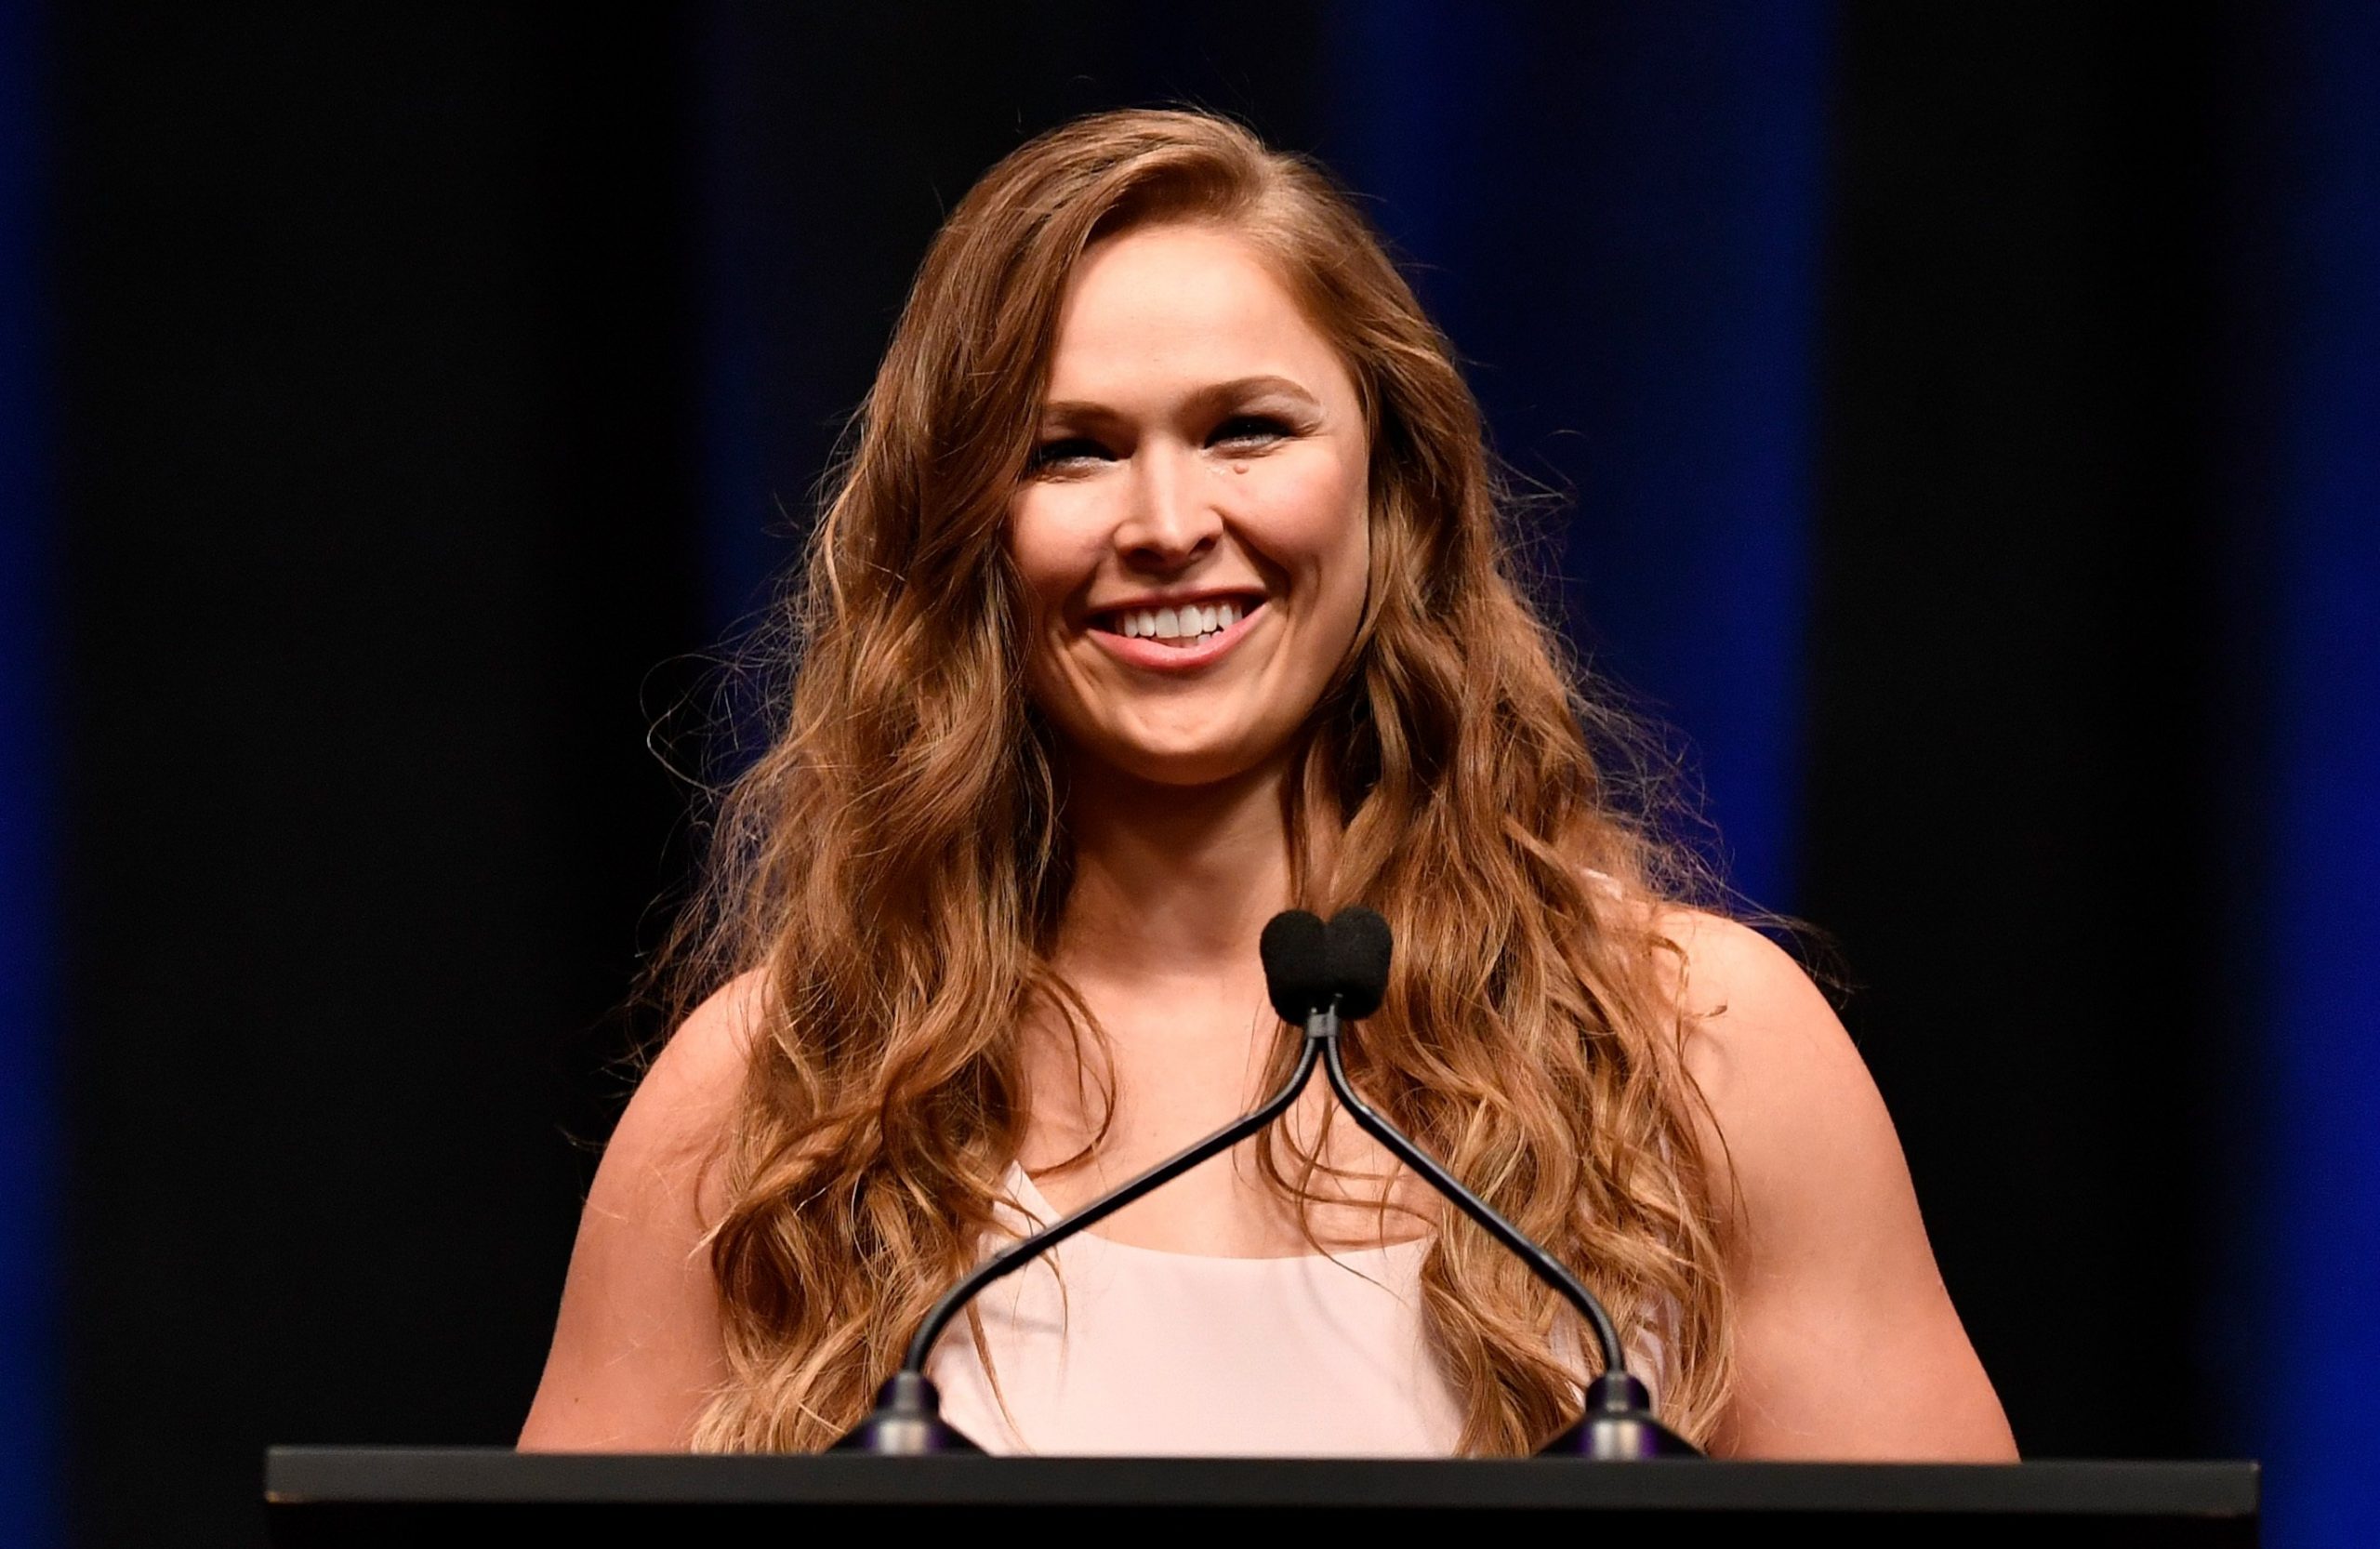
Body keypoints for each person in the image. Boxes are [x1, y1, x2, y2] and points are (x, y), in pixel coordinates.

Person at [518, 109, 2016, 1461]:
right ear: (964, 537)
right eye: (1070, 452)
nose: (1170, 522)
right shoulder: (780, 1091)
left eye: (1247, 428)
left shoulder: (1701, 1050)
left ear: (1395, 487)